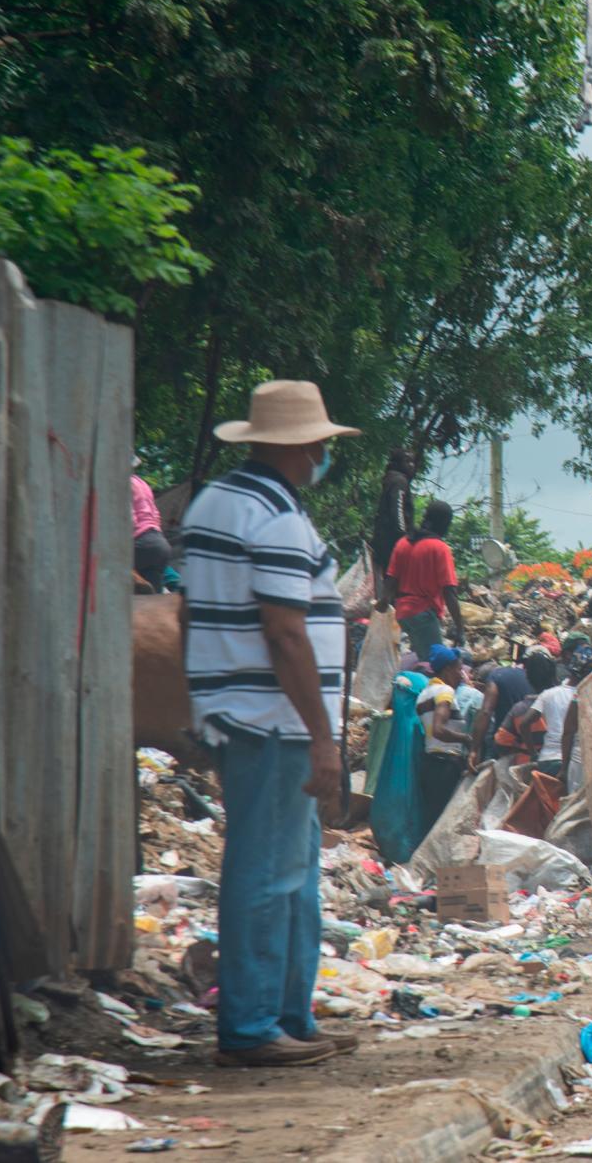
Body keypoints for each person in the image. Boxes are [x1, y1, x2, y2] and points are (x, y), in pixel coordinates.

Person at [176, 380, 358, 1068]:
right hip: (274, 720)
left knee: (294, 868)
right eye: (318, 445)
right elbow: (286, 633)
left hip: (234, 710)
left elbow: (192, 616)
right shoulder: (278, 519)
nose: (320, 455)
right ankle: (253, 1025)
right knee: (270, 871)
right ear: (304, 446)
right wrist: (322, 734)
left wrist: (200, 702)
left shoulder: (212, 505)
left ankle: (290, 1014)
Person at [380, 500, 465, 657]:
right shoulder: (439, 548)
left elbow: (391, 580)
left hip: (402, 614)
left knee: (417, 658)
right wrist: (460, 628)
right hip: (422, 613)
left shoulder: (403, 543)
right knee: (434, 664)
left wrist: (382, 604)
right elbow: (450, 591)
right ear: (443, 523)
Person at [417, 645, 473, 819]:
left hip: (429, 762)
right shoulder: (445, 691)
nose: (461, 675)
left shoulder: (424, 693)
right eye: (458, 669)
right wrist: (465, 738)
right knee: (443, 818)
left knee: (431, 815)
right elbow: (439, 730)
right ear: (448, 669)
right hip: (445, 764)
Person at [476, 651, 555, 762]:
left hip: (524, 768)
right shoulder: (563, 703)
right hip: (558, 766)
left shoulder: (520, 709)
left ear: (527, 677)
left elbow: (501, 742)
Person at [372, 448, 417, 579]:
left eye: (413, 462)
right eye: (407, 461)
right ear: (397, 464)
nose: (411, 465)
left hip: (385, 541)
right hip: (393, 543)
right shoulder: (399, 481)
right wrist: (404, 538)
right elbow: (397, 511)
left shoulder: (391, 479)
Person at [131, 459, 172, 590]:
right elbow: (156, 515)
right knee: (152, 601)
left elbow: (129, 521)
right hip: (160, 543)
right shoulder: (142, 483)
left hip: (141, 544)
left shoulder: (122, 482)